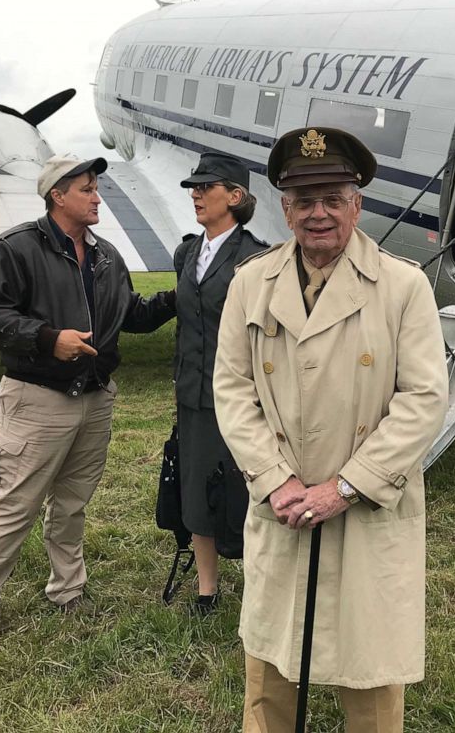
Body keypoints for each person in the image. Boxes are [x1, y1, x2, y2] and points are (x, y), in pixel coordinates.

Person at [214, 128, 449, 732]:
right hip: (283, 504)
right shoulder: (251, 282)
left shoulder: (403, 285)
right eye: (304, 200)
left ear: (357, 205)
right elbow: (233, 389)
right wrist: (276, 480)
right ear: (284, 209)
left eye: (333, 198)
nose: (318, 214)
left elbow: (424, 399)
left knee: (369, 667)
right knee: (270, 661)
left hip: (366, 507)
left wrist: (344, 487)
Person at [0, 154, 176, 653]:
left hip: (95, 398)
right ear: (57, 195)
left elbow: (130, 314)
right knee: (15, 505)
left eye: (96, 189)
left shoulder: (108, 256)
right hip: (37, 399)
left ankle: (67, 589)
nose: (98, 197)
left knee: (73, 503)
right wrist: (49, 338)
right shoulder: (17, 247)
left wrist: (182, 296)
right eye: (87, 189)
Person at [173, 153, 268, 615]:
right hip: (192, 395)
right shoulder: (187, 252)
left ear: (235, 196)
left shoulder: (256, 258)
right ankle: (207, 590)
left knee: (244, 493)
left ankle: (263, 589)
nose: (195, 193)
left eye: (205, 186)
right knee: (196, 494)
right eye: (193, 186)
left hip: (241, 399)